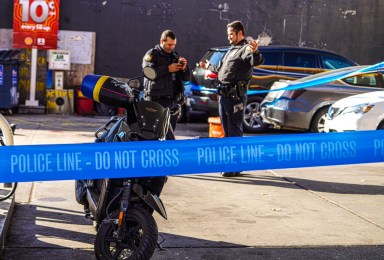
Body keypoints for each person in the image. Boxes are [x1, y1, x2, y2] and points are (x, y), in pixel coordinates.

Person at [200, 20, 264, 177]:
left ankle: (232, 166)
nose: (228, 37)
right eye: (228, 34)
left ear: (240, 33)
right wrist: (208, 66)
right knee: (227, 131)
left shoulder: (245, 49)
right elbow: (222, 69)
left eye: (231, 34)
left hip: (236, 98)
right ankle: (233, 164)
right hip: (224, 96)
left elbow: (256, 61)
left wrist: (255, 51)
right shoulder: (231, 50)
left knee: (234, 131)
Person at [142, 30, 190, 140]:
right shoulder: (152, 55)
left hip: (173, 101)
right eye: (169, 44)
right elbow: (148, 73)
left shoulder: (174, 55)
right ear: (161, 41)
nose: (171, 47)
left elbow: (186, 78)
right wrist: (167, 69)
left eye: (173, 45)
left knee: (168, 134)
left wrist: (184, 69)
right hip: (157, 101)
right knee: (166, 136)